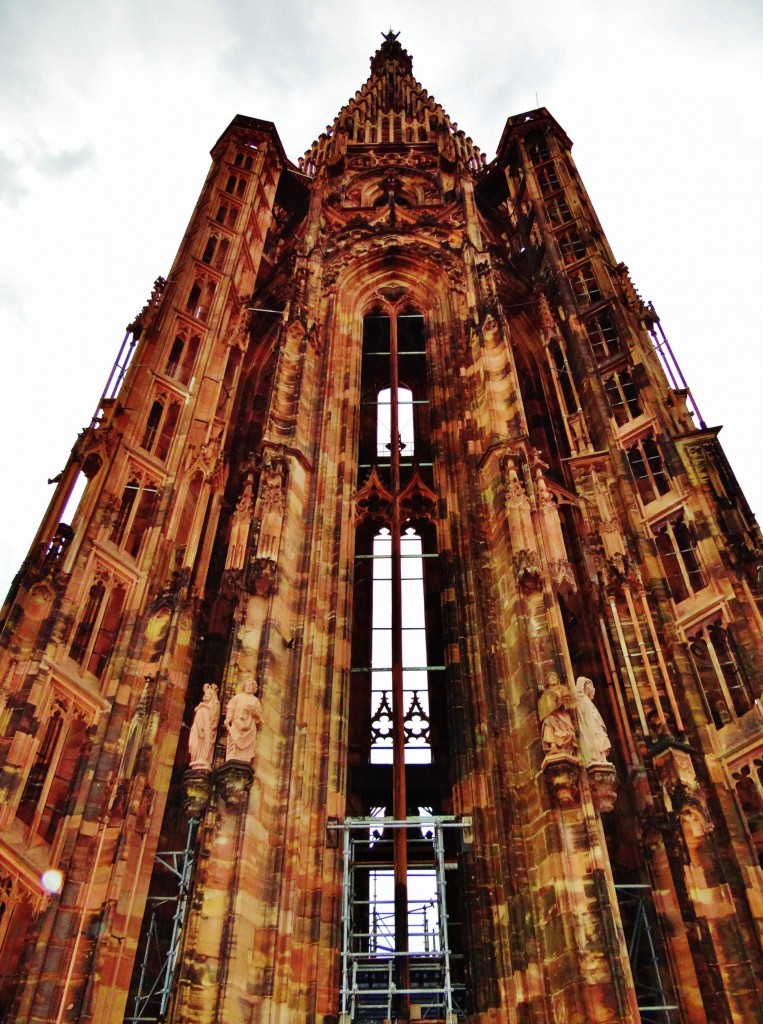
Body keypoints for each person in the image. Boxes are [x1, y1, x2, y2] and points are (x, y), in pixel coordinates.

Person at [224, 678, 263, 764]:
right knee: (234, 740)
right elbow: (231, 707)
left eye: (250, 686)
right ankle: (233, 755)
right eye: (247, 685)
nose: (248, 687)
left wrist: (253, 713)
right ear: (244, 687)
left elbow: (259, 715)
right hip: (237, 723)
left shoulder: (255, 700)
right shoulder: (238, 697)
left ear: (254, 688)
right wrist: (228, 718)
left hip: (249, 725)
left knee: (246, 743)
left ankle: (244, 758)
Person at [538, 671, 577, 755]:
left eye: (555, 677)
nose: (553, 678)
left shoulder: (561, 688)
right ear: (547, 681)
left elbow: (571, 702)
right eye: (551, 677)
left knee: (566, 733)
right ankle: (553, 746)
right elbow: (543, 708)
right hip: (551, 715)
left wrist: (561, 702)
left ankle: (562, 746)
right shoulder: (545, 694)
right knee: (548, 722)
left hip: (561, 714)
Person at [575, 676, 612, 765]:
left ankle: (603, 758)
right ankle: (598, 757)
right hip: (590, 726)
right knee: (598, 740)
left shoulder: (589, 702)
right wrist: (585, 680)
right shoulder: (583, 699)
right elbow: (579, 691)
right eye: (592, 691)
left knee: (602, 739)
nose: (594, 694)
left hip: (596, 725)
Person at [188, 683, 220, 769]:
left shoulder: (213, 704)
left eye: (208, 694)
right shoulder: (202, 708)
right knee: (193, 744)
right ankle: (197, 758)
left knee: (204, 743)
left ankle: (203, 758)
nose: (205, 696)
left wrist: (201, 705)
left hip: (206, 731)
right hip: (197, 729)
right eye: (205, 694)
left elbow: (213, 717)